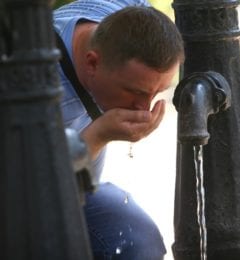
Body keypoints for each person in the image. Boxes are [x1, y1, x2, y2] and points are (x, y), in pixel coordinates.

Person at [53, 1, 184, 259]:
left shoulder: (120, 12)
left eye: (156, 93)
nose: (144, 108)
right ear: (92, 63)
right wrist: (99, 134)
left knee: (138, 239)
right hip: (28, 197)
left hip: (79, 188)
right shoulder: (39, 83)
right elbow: (35, 191)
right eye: (135, 92)